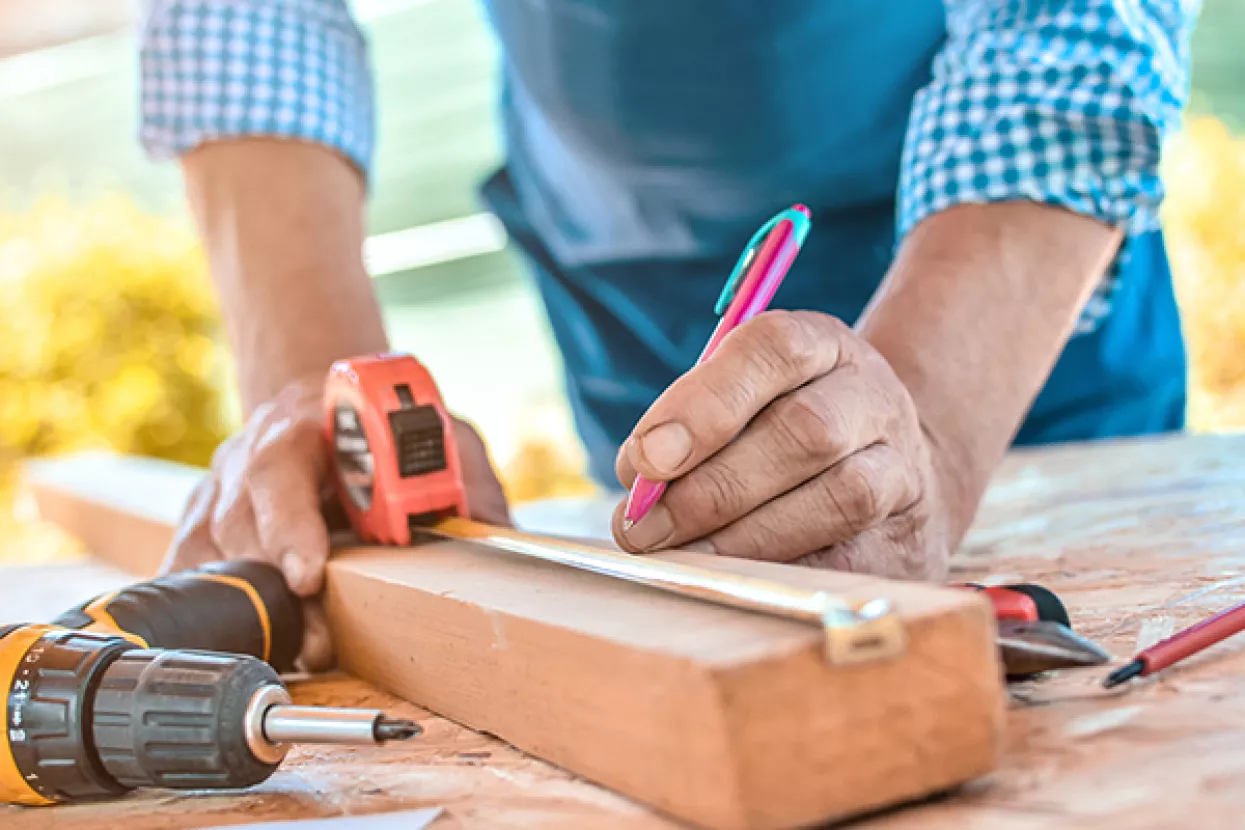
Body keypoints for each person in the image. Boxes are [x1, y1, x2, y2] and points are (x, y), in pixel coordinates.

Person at [139, 0, 1199, 667]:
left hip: (1007, 308)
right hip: (622, 273)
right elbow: (251, 18)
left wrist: (925, 429)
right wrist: (331, 412)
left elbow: (1069, 29)